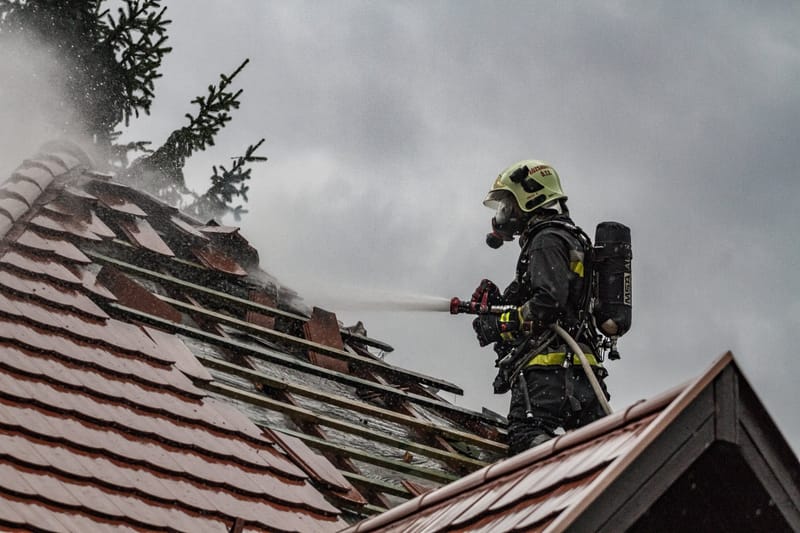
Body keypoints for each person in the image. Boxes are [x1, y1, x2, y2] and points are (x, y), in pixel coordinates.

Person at [471, 159, 610, 456]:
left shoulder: (545, 240)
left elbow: (547, 303)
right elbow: (543, 299)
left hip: (548, 374)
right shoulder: (566, 239)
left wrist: (502, 324)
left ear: (530, 196)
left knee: (526, 440)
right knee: (599, 451)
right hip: (583, 377)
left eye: (509, 203)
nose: (504, 213)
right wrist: (495, 307)